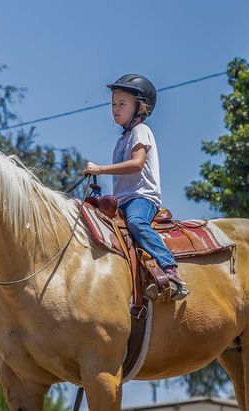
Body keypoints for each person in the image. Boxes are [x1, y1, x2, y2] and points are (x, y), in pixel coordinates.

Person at [84, 73, 189, 300]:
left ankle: (170, 269)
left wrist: (100, 169)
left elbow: (136, 164)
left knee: (136, 222)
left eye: (122, 104)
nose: (115, 109)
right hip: (123, 199)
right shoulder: (122, 140)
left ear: (140, 108)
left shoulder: (141, 131)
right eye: (113, 104)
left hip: (142, 197)